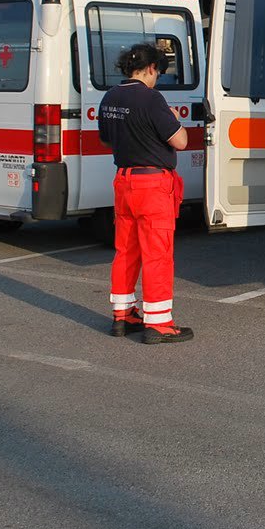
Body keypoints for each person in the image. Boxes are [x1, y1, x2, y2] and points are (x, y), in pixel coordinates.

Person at [96, 42, 193, 344]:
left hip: (124, 182)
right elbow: (180, 141)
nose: (157, 79)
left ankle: (123, 314)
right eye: (158, 73)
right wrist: (173, 119)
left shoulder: (109, 97)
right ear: (151, 68)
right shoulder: (152, 99)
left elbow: (105, 138)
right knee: (157, 254)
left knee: (126, 250)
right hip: (152, 185)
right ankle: (159, 322)